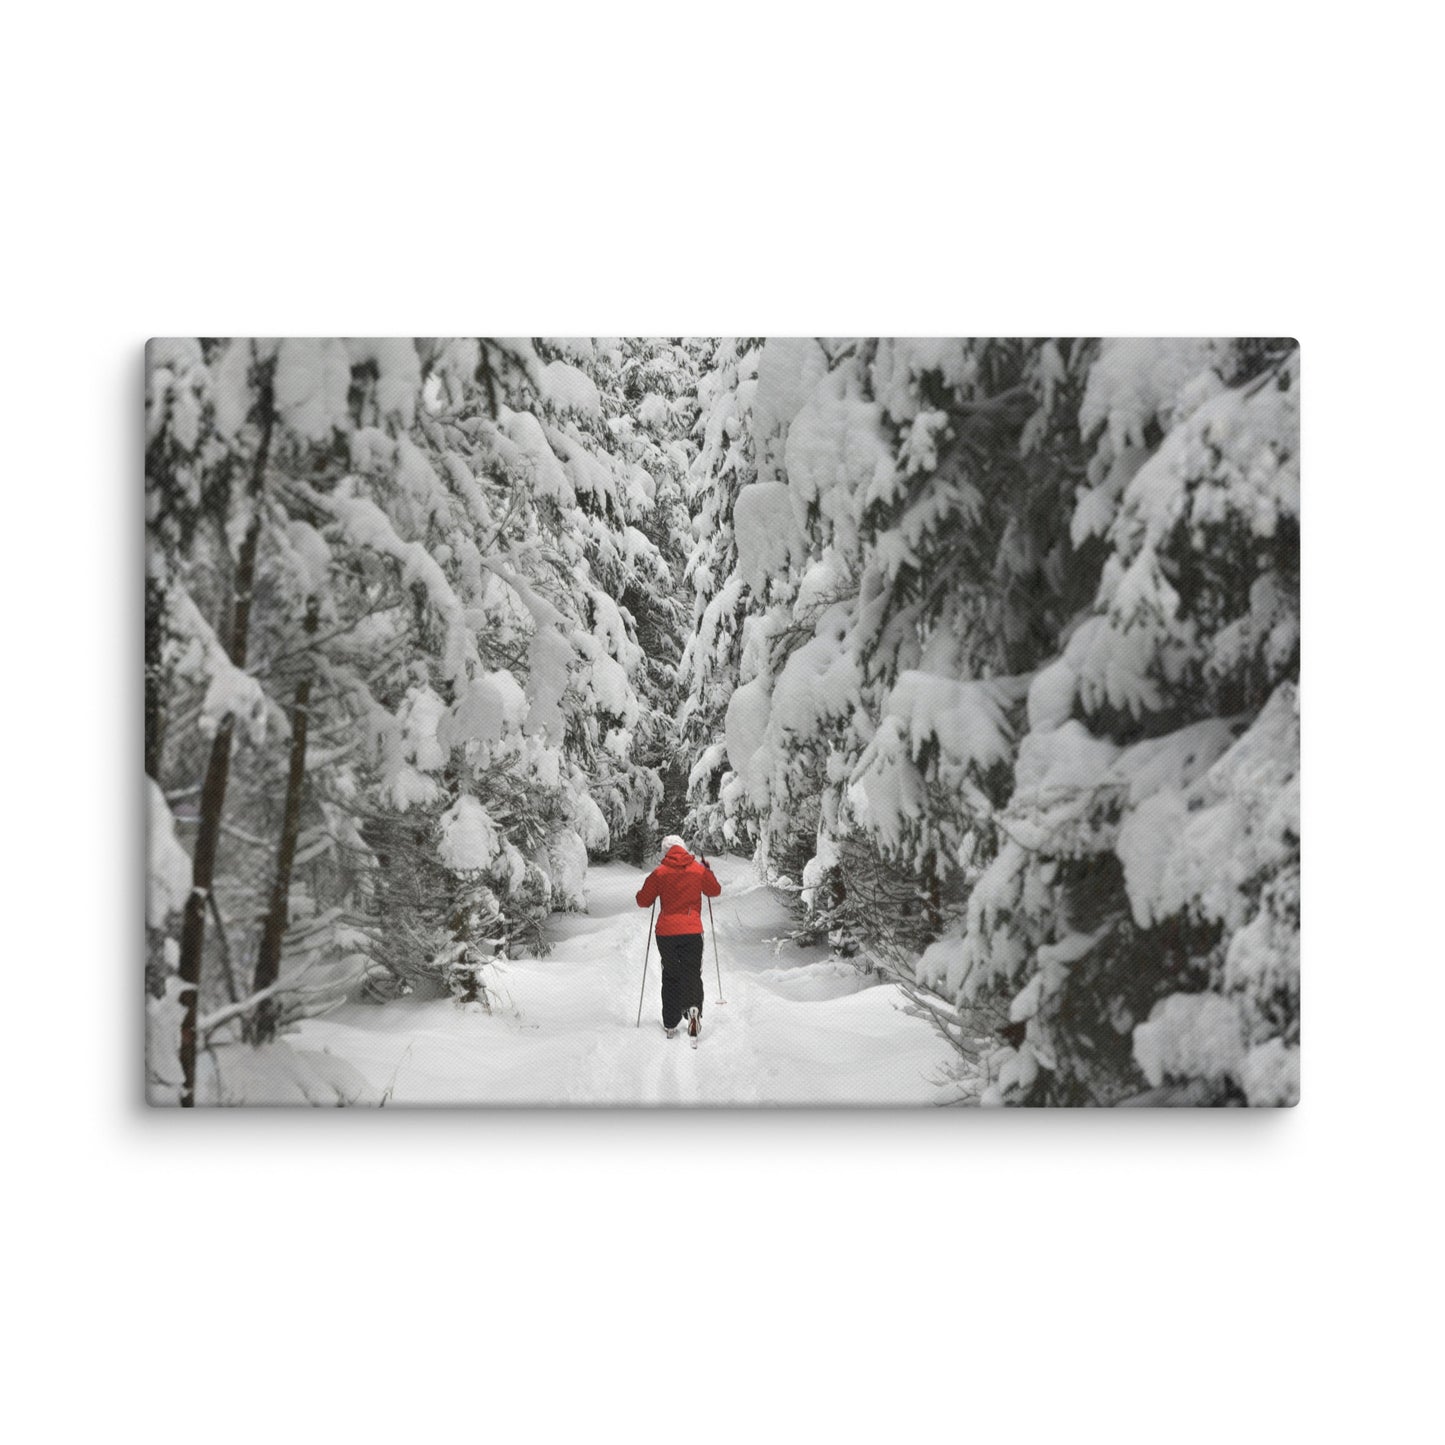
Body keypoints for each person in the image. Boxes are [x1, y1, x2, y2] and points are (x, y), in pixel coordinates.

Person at [636, 834, 721, 1039]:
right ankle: (693, 1009)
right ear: (683, 849)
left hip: (666, 934)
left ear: (665, 852)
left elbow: (642, 901)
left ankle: (670, 1022)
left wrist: (650, 891)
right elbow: (714, 890)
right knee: (692, 972)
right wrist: (708, 871)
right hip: (692, 931)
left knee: (671, 974)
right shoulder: (698, 870)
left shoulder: (660, 873)